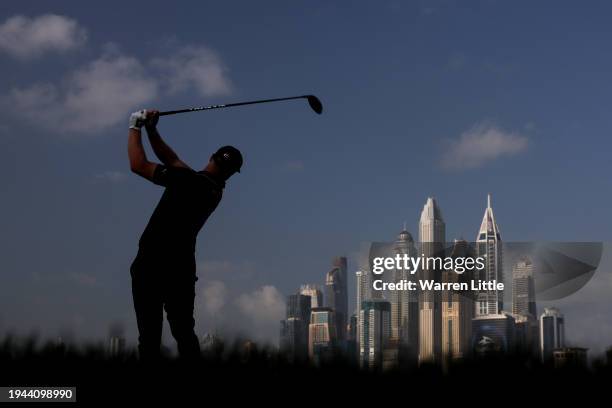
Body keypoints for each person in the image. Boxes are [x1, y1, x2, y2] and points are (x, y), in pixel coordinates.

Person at [127, 109, 243, 360]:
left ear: (211, 158)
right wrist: (152, 129)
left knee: (149, 339)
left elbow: (137, 165)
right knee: (184, 334)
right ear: (231, 174)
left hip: (152, 264)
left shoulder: (187, 181)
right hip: (181, 270)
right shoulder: (213, 191)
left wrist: (134, 126)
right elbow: (172, 159)